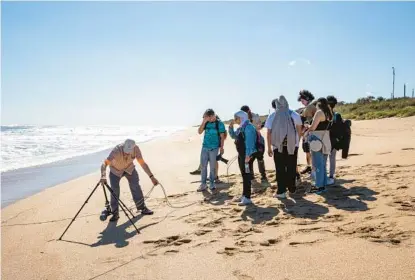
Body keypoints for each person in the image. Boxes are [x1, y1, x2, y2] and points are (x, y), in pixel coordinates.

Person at [100, 139, 158, 222]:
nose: (127, 153)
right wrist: (103, 176)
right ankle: (115, 213)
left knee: (135, 186)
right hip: (115, 171)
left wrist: (151, 177)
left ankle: (142, 208)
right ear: (123, 146)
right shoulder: (116, 151)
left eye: (129, 151)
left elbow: (142, 163)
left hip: (129, 169)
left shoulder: (136, 149)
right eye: (126, 150)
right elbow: (104, 163)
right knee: (114, 191)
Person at [266, 96, 303, 199]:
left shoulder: (272, 116)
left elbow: (269, 133)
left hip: (278, 146)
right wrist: (297, 141)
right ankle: (292, 188)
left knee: (280, 168)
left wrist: (269, 147)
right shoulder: (294, 114)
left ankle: (281, 191)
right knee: (291, 166)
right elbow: (299, 129)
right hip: (292, 145)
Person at [304, 97, 333, 194]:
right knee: (323, 164)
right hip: (326, 139)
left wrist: (307, 126)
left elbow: (313, 127)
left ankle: (319, 187)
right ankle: (323, 184)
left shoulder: (319, 113)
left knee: (317, 164)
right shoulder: (329, 113)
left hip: (317, 139)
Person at [229, 110, 258, 205]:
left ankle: (247, 197)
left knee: (246, 176)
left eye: (236, 118)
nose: (235, 120)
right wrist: (230, 127)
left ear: (241, 118)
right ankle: (244, 195)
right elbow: (234, 136)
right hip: (242, 155)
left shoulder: (248, 127)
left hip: (247, 156)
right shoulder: (241, 127)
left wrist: (247, 156)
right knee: (244, 175)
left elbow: (250, 143)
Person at [197, 109, 226, 192]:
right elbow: (199, 132)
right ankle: (203, 184)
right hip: (205, 147)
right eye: (207, 118)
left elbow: (222, 137)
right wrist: (203, 122)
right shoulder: (206, 123)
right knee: (203, 166)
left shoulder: (219, 124)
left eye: (210, 117)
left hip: (214, 148)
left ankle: (212, 183)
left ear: (213, 115)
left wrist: (221, 148)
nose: (209, 119)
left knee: (212, 166)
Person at [327, 95, 352, 184]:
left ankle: (329, 176)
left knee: (326, 158)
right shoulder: (336, 115)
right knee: (332, 158)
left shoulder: (329, 115)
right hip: (334, 140)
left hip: (329, 139)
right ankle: (331, 176)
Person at [297, 90, 317, 174]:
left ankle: (311, 167)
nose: (302, 103)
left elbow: (308, 122)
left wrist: (304, 133)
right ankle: (310, 166)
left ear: (307, 98)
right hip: (311, 132)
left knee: (309, 150)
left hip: (309, 133)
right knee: (308, 150)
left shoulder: (309, 107)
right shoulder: (312, 105)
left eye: (302, 101)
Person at [251, 113, 268, 184]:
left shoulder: (247, 120)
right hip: (259, 141)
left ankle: (252, 177)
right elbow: (260, 126)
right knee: (260, 158)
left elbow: (259, 126)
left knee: (250, 160)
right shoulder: (255, 116)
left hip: (254, 141)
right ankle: (263, 175)